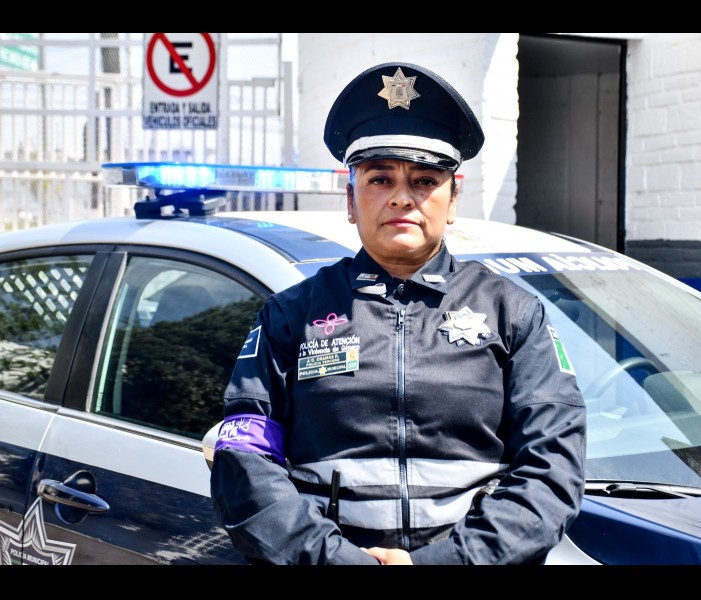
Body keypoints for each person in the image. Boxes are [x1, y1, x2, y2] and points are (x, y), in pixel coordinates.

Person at [210, 62, 587, 565]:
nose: (402, 198)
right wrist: (339, 562)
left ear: (453, 200)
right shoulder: (289, 318)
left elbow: (552, 468)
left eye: (425, 180)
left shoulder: (513, 314)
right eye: (380, 178)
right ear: (350, 200)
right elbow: (245, 461)